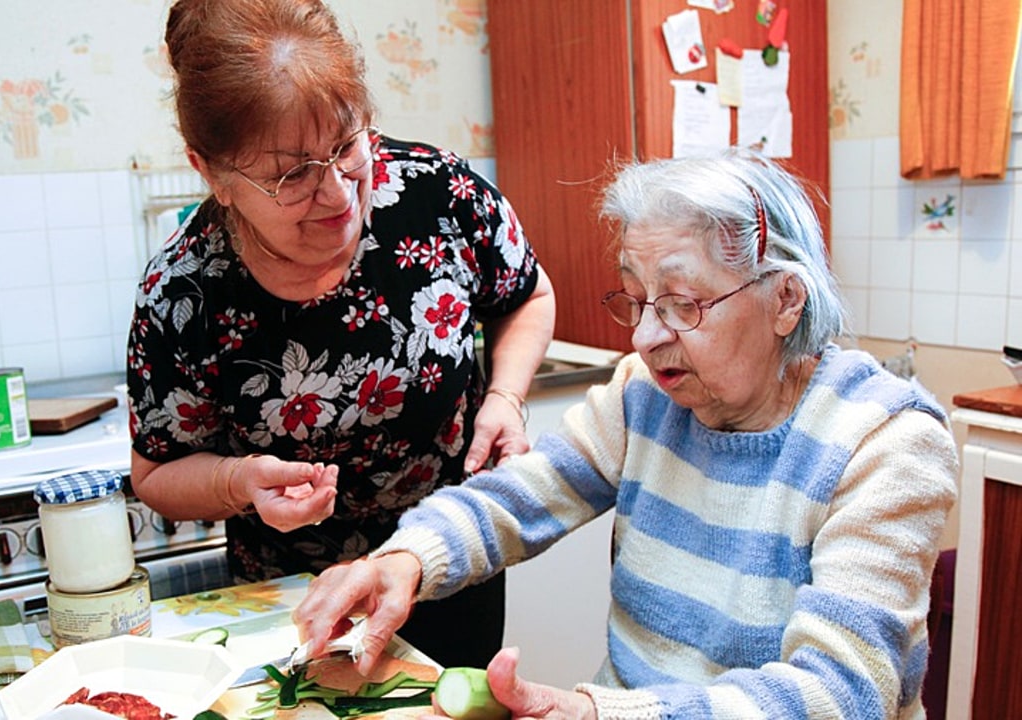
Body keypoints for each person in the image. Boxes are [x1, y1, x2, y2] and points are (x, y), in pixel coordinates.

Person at [293, 149, 958, 719]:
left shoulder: (886, 442)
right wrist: (402, 562)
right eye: (636, 300)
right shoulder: (646, 393)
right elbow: (519, 496)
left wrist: (598, 711)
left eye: (681, 305)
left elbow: (838, 694)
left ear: (785, 299)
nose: (644, 338)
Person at [126, 0, 556, 669]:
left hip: (445, 567)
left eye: (346, 146)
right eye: (291, 174)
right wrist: (240, 481)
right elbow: (156, 473)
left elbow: (527, 296)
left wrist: (504, 396)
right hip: (293, 602)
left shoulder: (436, 195)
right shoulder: (185, 290)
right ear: (211, 173)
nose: (337, 194)